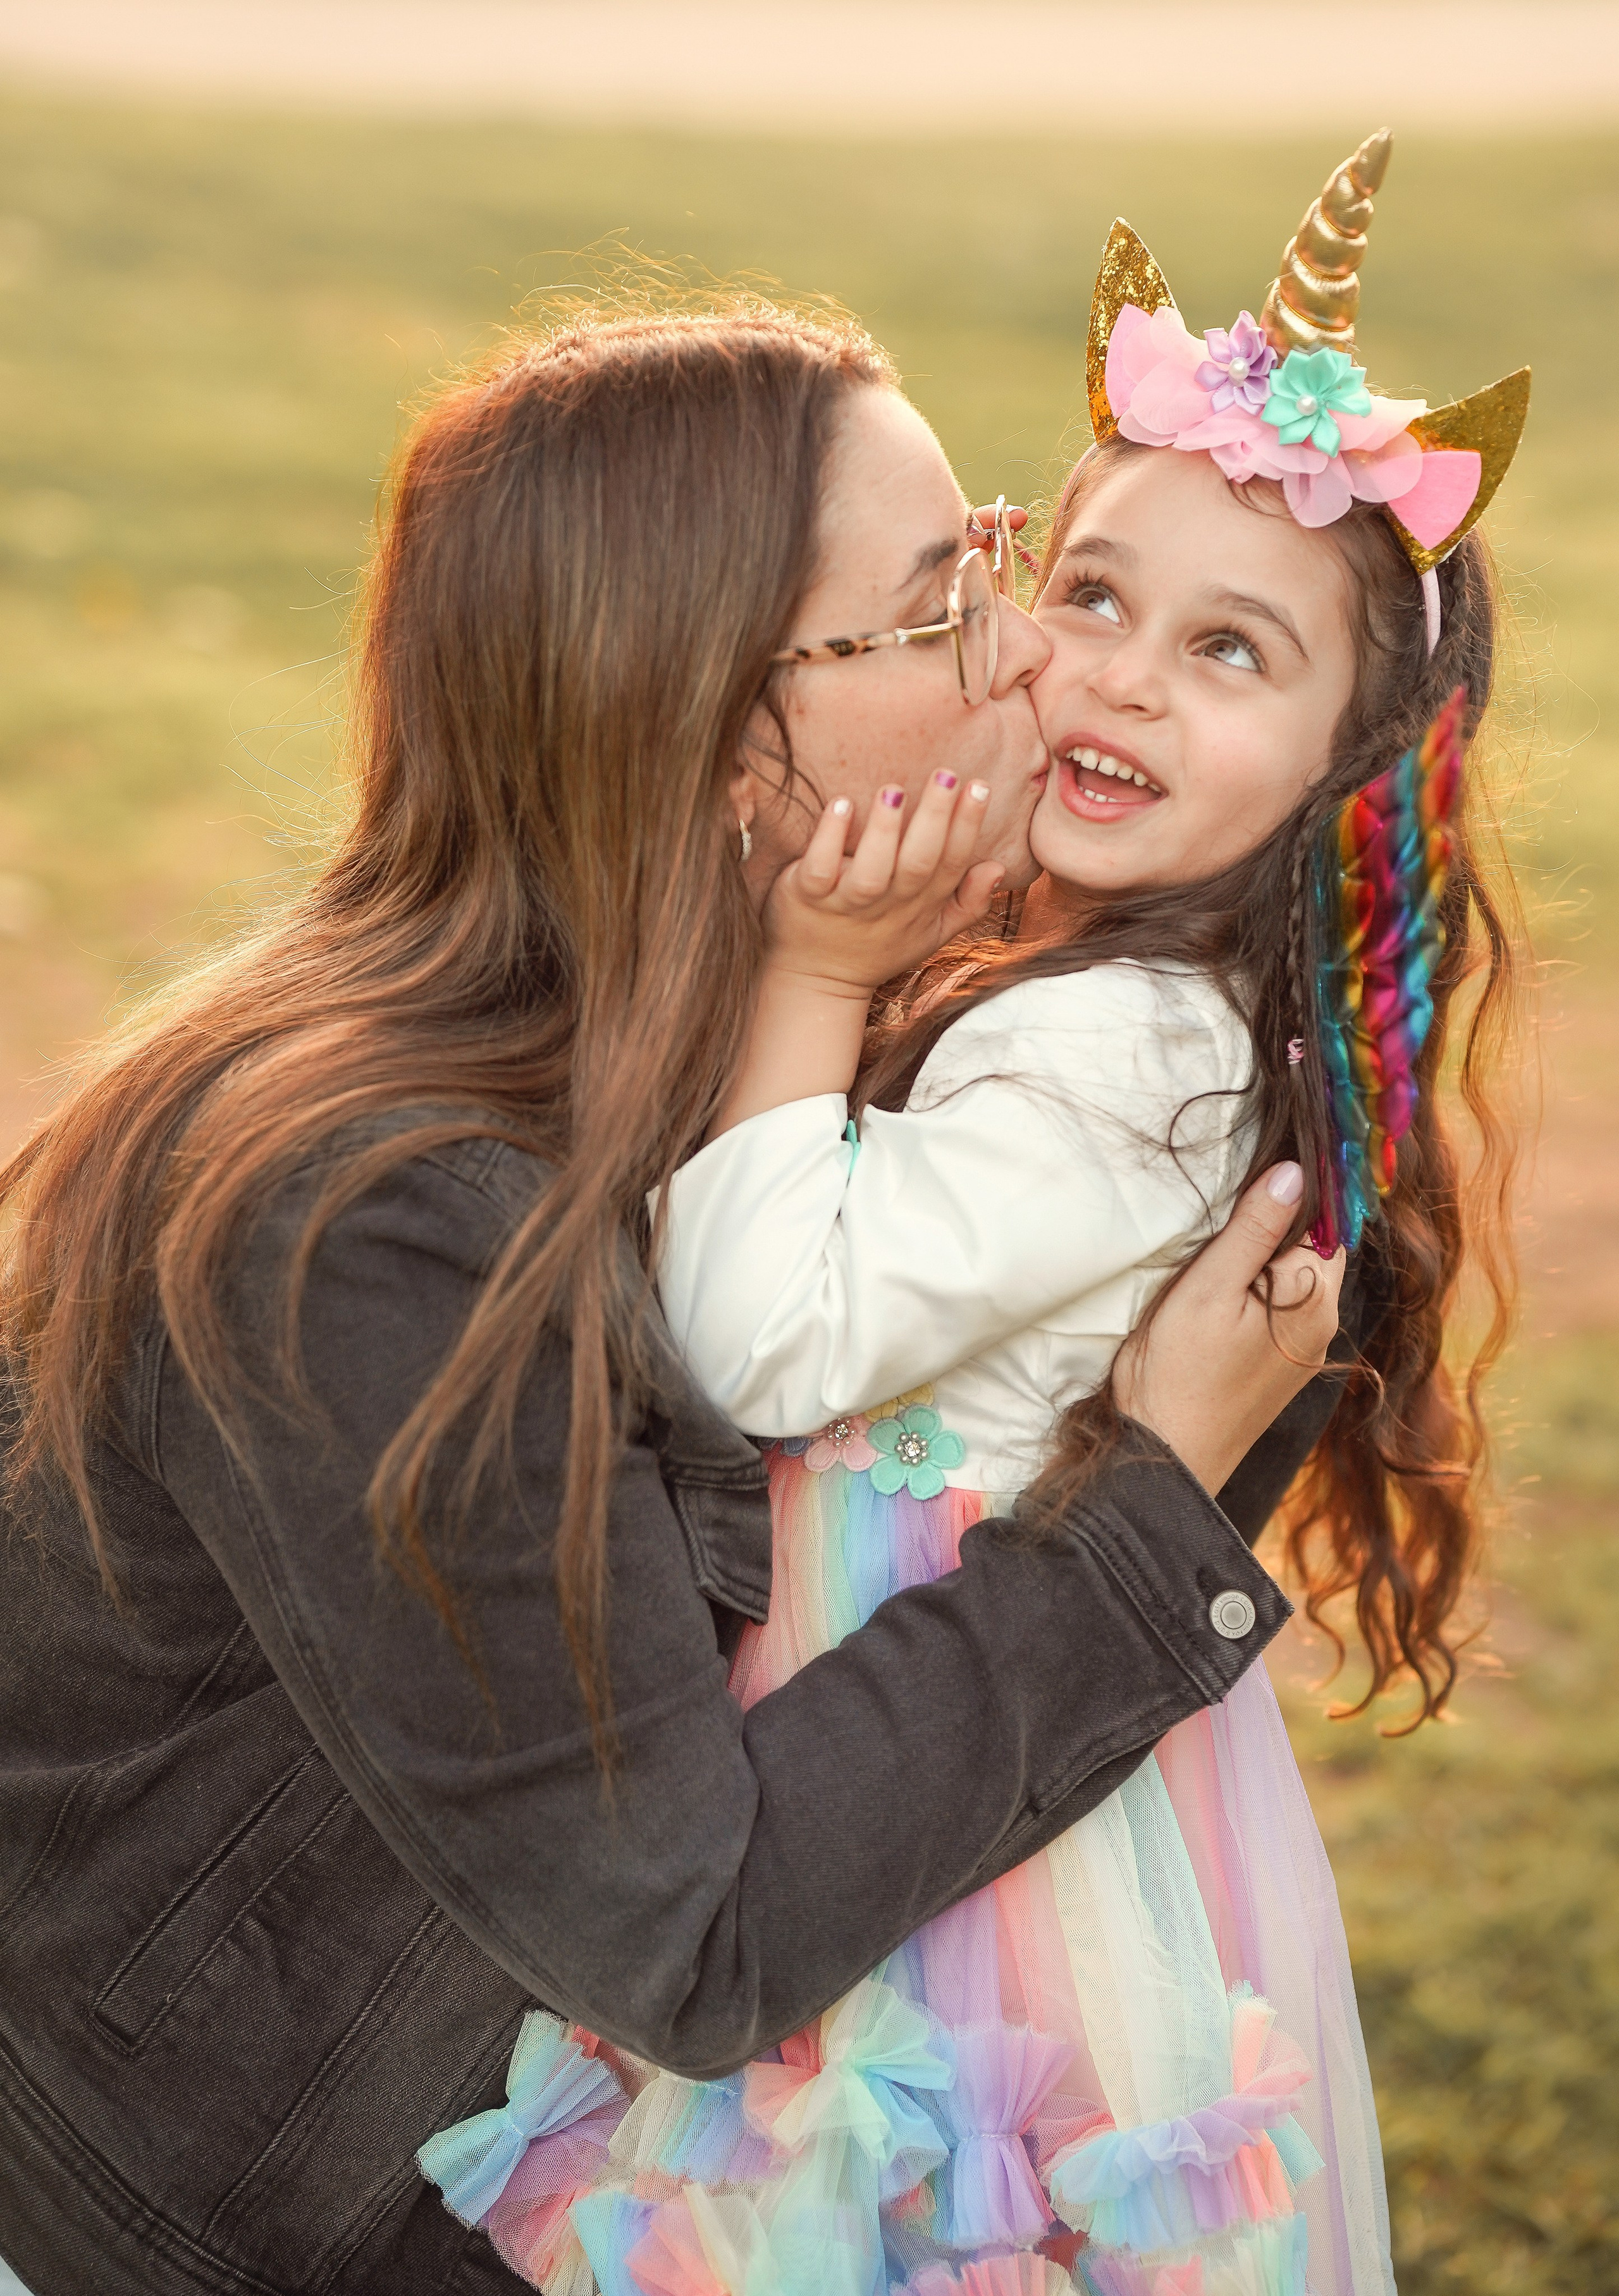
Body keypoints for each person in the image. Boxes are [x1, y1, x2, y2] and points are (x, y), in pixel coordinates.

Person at [0, 300, 1346, 2296]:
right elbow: (695, 1930)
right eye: (943, 604)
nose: (1032, 658)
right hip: (193, 2213)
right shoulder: (389, 1233)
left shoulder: (732, 1037)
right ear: (727, 745)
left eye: (984, 556)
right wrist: (1148, 1511)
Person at [422, 142, 1527, 2296]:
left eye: (1231, 652)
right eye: (1092, 596)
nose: (1120, 679)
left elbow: (760, 1339)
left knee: (886, 2200)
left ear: (1345, 759)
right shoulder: (1109, 980)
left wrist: (813, 980)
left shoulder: (1133, 1059)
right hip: (910, 1691)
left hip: (920, 1748)